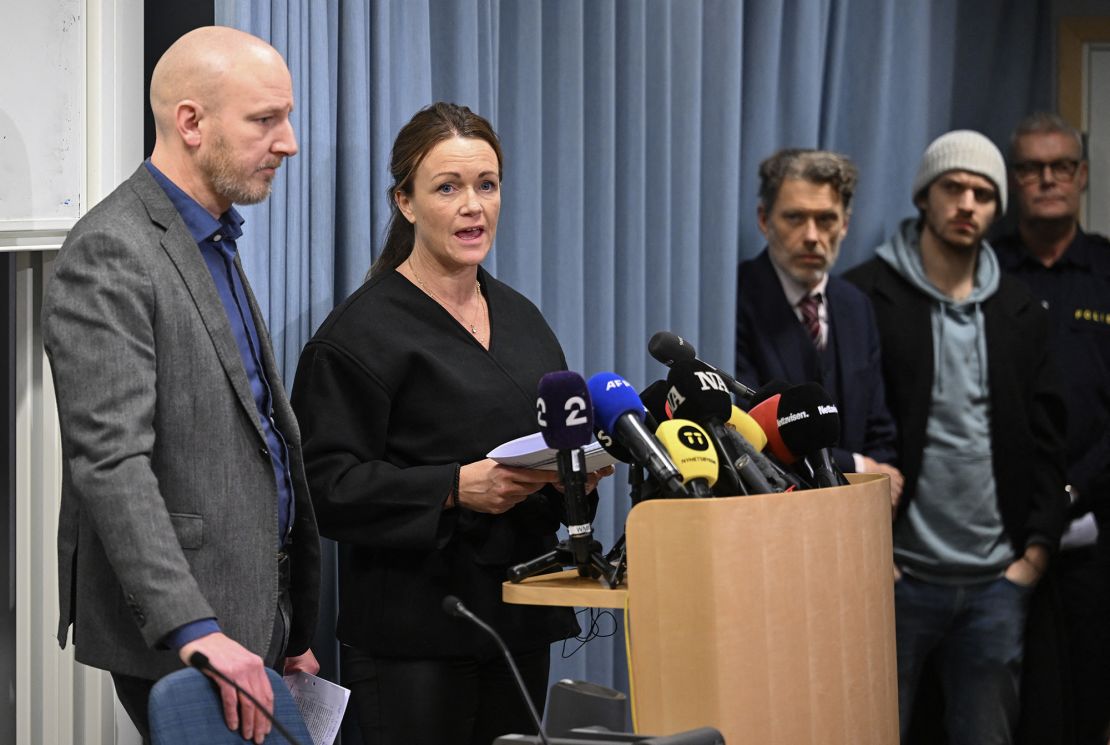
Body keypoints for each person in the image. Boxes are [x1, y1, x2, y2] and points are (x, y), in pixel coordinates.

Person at [290, 102, 609, 745]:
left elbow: (557, 431)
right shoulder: (358, 337)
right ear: (405, 203)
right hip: (413, 638)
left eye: (486, 185)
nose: (474, 206)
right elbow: (322, 488)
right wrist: (453, 486)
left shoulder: (522, 319)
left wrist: (574, 479)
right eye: (448, 187)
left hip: (518, 619)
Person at [42, 27, 320, 745]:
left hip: (258, 612)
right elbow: (111, 461)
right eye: (266, 120)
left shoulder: (213, 236)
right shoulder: (111, 249)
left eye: (285, 117)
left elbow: (252, 437)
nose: (288, 142)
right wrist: (197, 628)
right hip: (187, 624)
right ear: (191, 122)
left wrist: (287, 624)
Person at [845, 130, 1068, 745]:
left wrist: (1035, 553)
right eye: (953, 188)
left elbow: (1048, 441)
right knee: (869, 731)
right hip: (893, 578)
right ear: (925, 195)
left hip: (998, 582)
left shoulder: (1020, 310)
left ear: (998, 208)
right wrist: (874, 558)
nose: (968, 203)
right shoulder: (865, 294)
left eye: (983, 193)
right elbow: (845, 427)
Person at [993, 112, 1110, 745]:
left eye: (1060, 165)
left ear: (1082, 175)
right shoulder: (985, 272)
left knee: (1088, 697)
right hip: (1004, 530)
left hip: (1098, 530)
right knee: (1007, 699)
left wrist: (1072, 493)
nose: (1047, 179)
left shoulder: (1107, 270)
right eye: (1032, 168)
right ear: (1014, 180)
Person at [735, 149, 903, 504]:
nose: (812, 236)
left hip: (855, 518)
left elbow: (880, 429)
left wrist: (878, 477)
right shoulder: (734, 298)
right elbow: (747, 430)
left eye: (826, 219)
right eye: (795, 218)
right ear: (764, 220)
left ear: (845, 224)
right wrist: (859, 467)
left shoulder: (855, 305)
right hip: (771, 512)